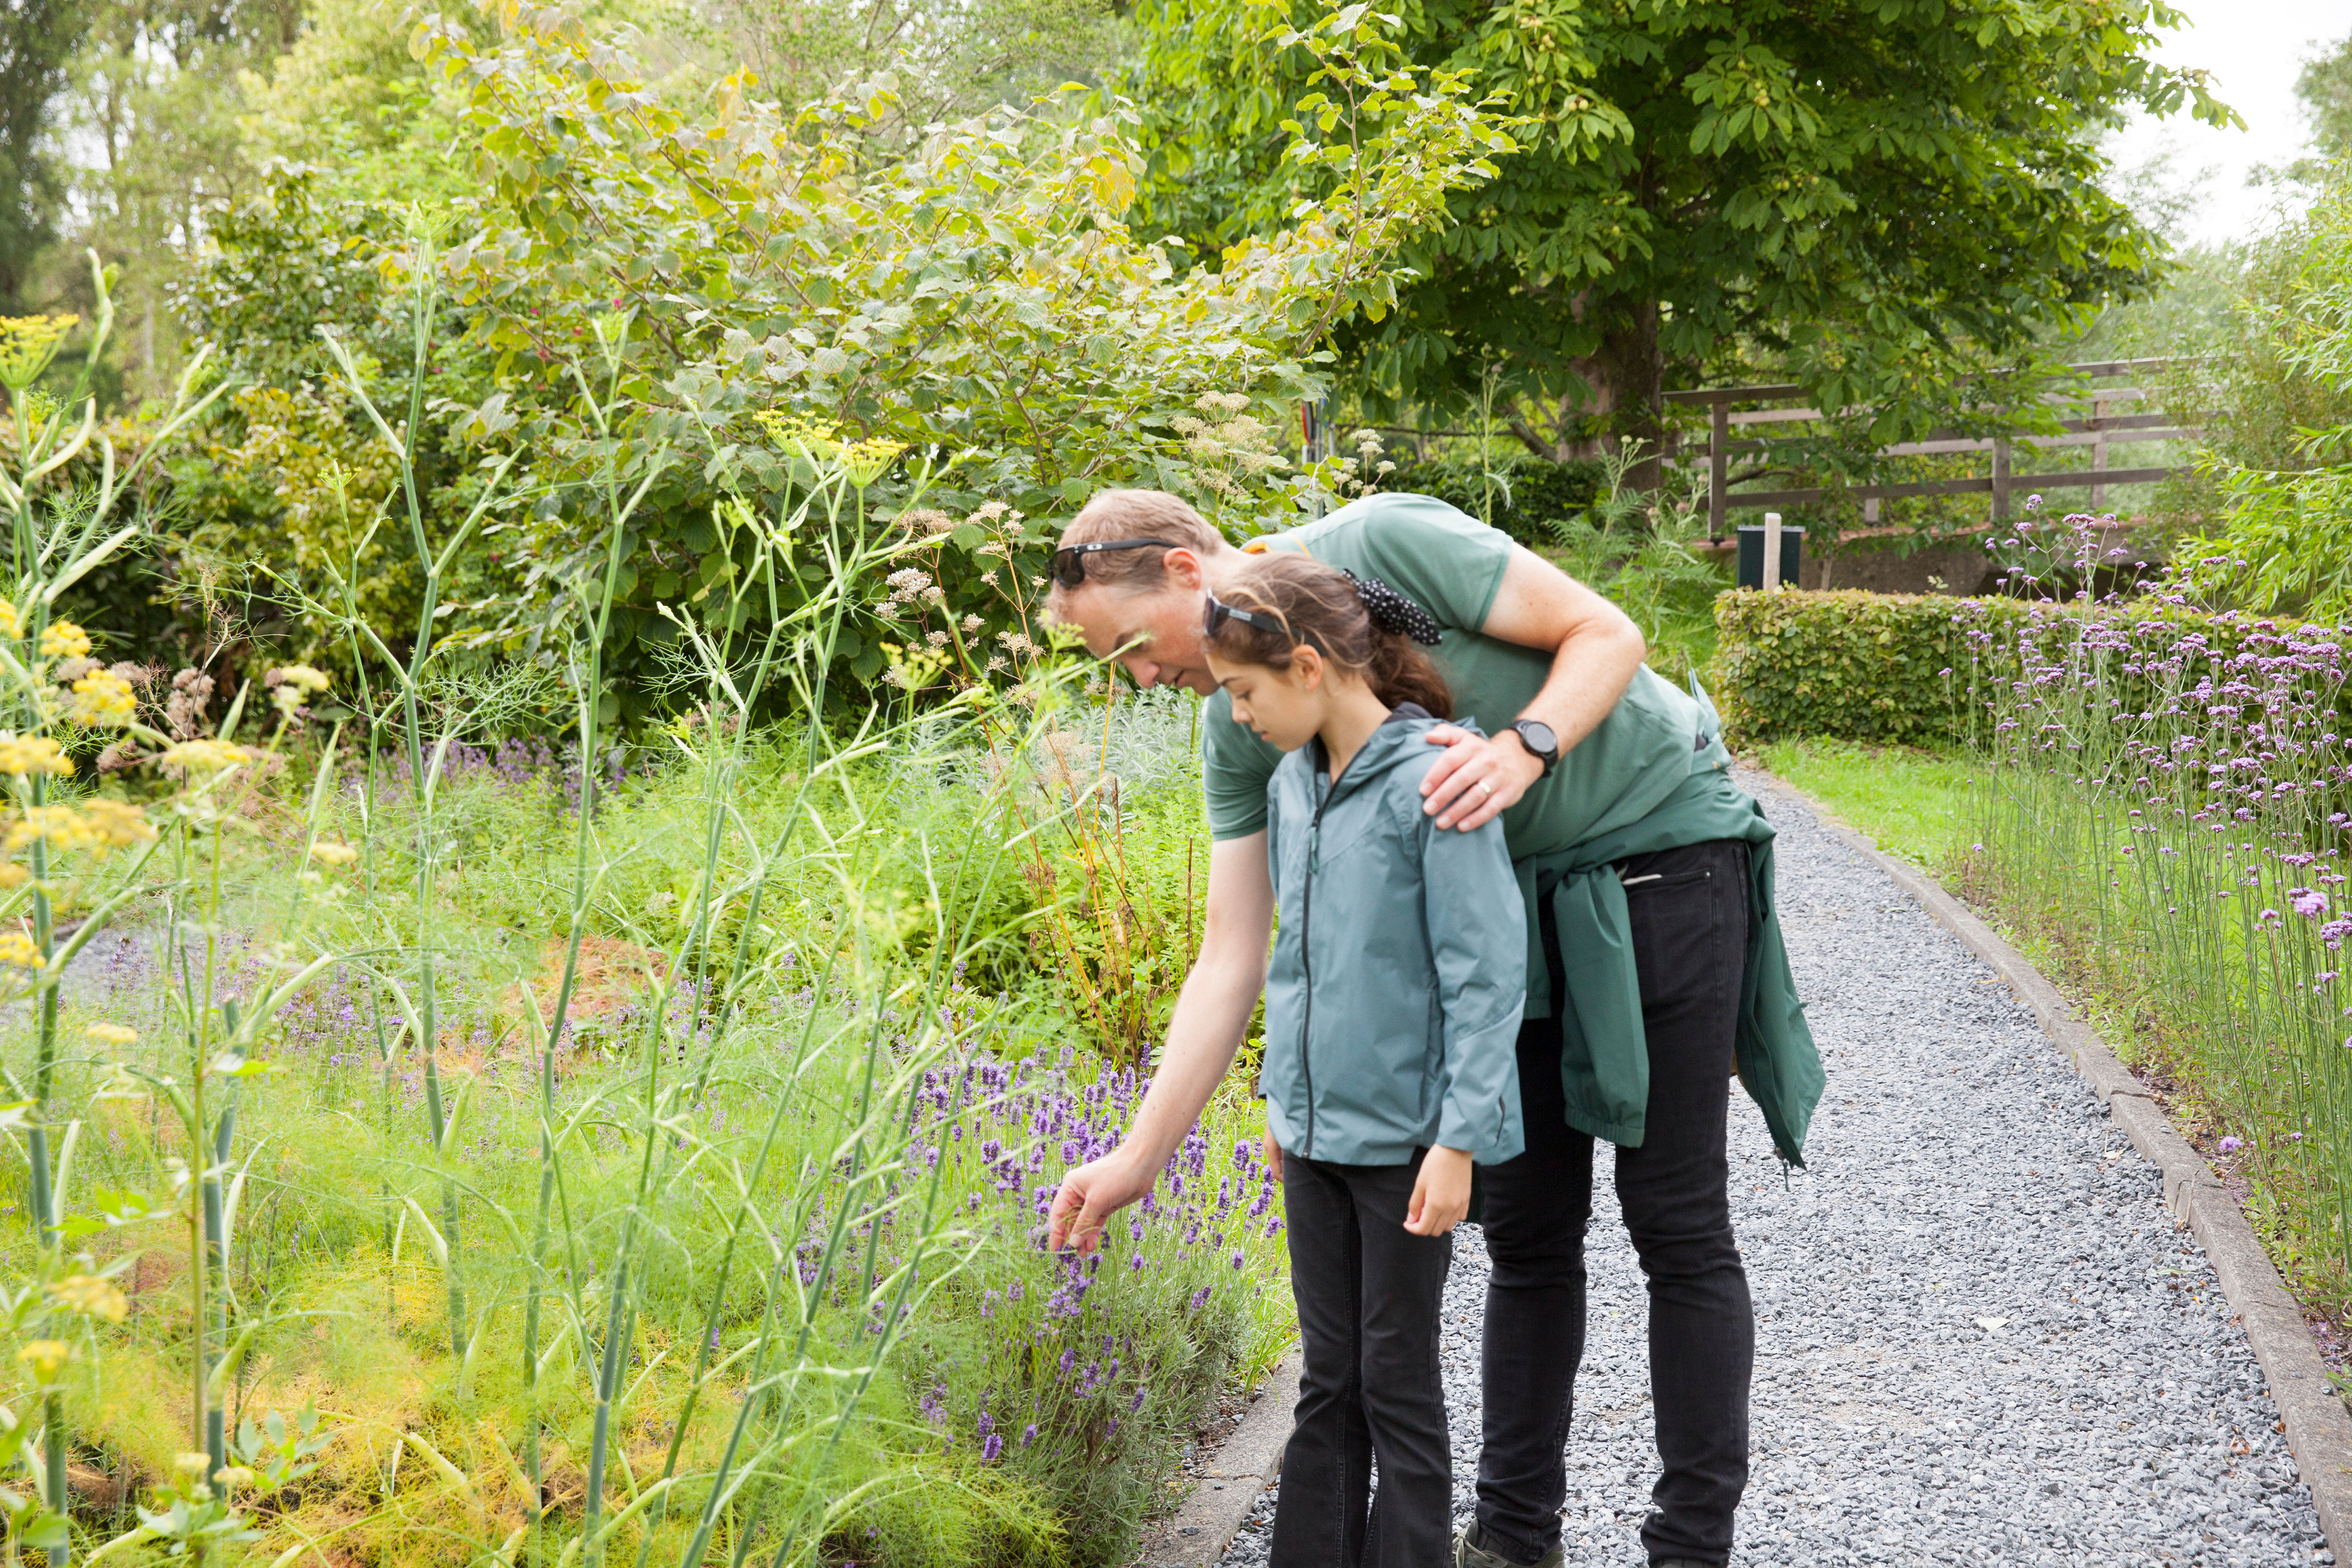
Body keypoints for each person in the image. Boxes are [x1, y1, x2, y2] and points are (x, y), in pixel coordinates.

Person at [1042, 487, 1821, 1568]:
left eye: (1128, 645)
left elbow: (1608, 631)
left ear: (1184, 571)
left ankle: (1688, 1549)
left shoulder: (1383, 543)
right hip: (1504, 902)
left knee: (1676, 1222)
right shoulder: (1244, 725)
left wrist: (1523, 749)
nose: (1137, 678)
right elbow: (1233, 956)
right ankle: (1511, 1540)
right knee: (1531, 1234)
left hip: (1659, 853)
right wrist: (1138, 1154)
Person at [1200, 550, 1528, 1568]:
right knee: (1328, 1378)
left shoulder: (1436, 773)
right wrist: (1280, 1105)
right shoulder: (1294, 785)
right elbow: (1296, 959)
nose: (1238, 716)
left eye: (1244, 692)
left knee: (1396, 1379)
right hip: (1313, 1138)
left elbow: (1486, 974)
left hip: (1405, 1148)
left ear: (1307, 668)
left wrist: (1459, 1141)